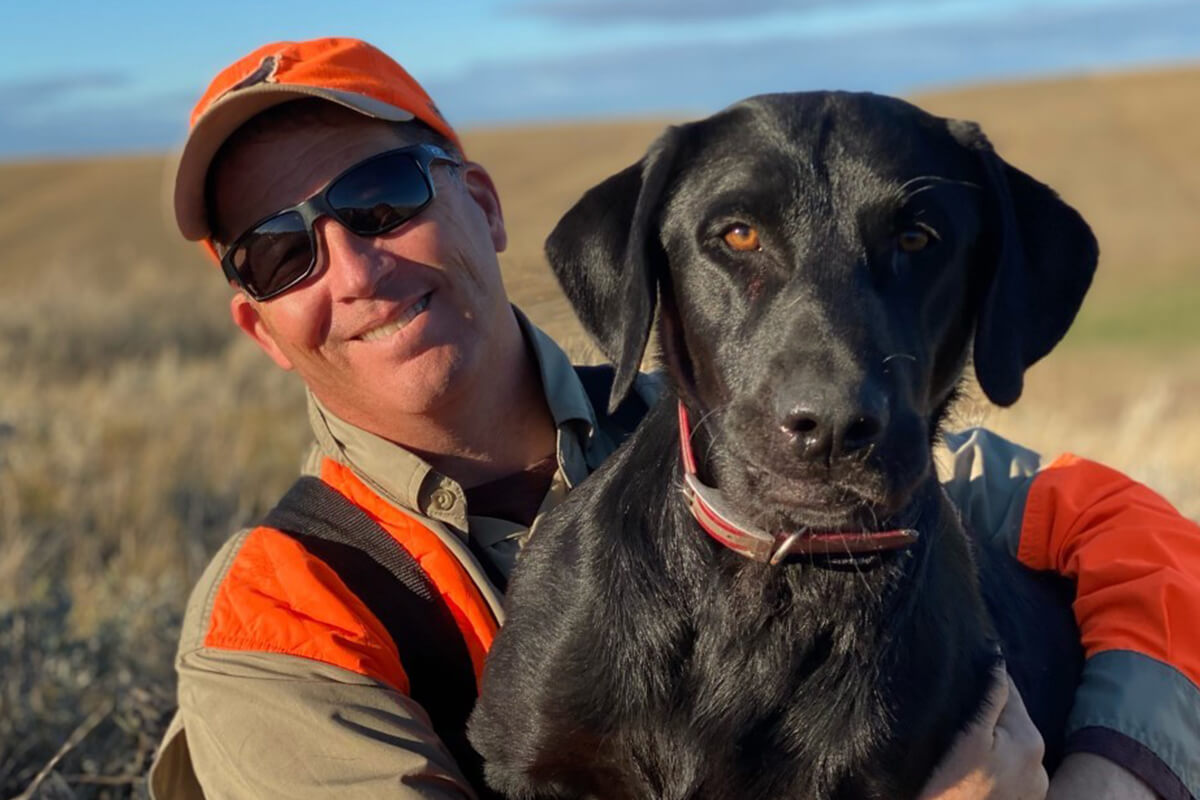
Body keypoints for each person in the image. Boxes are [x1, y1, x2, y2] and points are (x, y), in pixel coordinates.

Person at [148, 37, 1199, 800]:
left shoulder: (718, 425)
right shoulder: (279, 615)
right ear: (260, 323)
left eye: (383, 200)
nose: (357, 266)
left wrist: (1114, 765)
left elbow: (1128, 526)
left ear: (482, 201)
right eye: (282, 251)